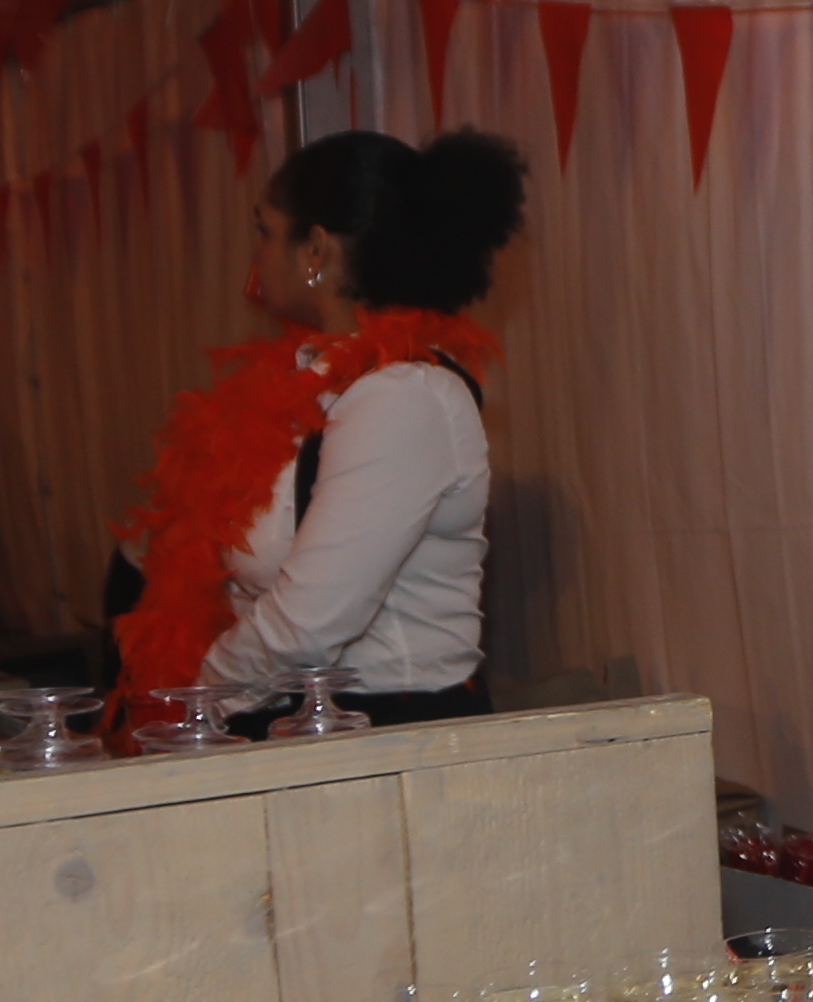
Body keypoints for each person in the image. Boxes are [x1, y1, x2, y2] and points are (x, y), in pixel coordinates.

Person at [109, 127, 527, 735]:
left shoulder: (403, 398)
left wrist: (194, 703)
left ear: (315, 250)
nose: (256, 254)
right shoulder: (305, 384)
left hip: (390, 736)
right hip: (293, 723)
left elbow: (310, 619)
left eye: (265, 231)